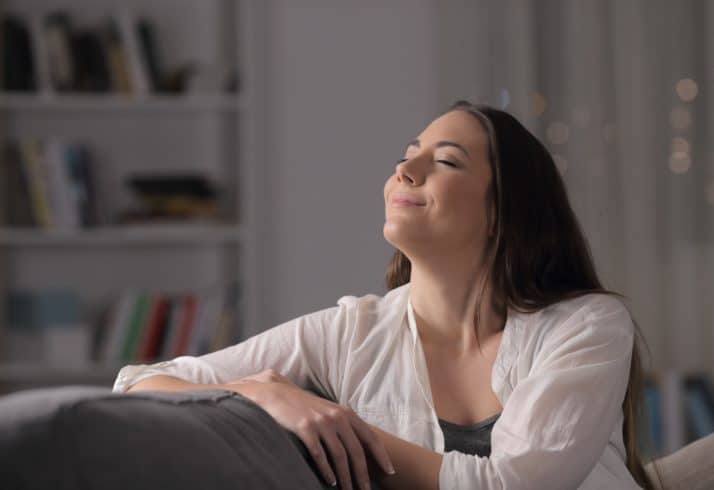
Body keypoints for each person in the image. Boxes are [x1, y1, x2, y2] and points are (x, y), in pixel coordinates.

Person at [113, 100, 659, 490]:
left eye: (444, 161)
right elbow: (138, 386)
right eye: (407, 154)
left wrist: (345, 432)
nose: (405, 169)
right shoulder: (349, 334)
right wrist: (264, 397)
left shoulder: (586, 324)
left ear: (503, 212)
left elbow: (512, 484)